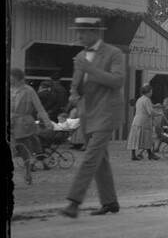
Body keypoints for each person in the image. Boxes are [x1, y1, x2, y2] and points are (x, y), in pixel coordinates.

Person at [60, 17, 124, 218]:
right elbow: (77, 83)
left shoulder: (114, 53)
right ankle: (110, 202)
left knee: (90, 158)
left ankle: (73, 202)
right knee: (100, 159)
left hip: (106, 112)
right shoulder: (80, 56)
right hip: (88, 113)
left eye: (83, 32)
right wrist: (73, 93)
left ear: (95, 33)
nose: (79, 36)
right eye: (77, 31)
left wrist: (89, 68)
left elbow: (117, 81)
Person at [10, 68, 54, 184]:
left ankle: (28, 172)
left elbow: (39, 107)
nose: (9, 79)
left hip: (23, 124)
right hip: (10, 122)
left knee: (22, 149)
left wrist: (48, 122)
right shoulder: (9, 89)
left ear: (16, 77)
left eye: (11, 76)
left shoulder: (29, 90)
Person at [127, 84, 158, 161]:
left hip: (136, 120)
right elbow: (150, 112)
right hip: (144, 121)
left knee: (135, 138)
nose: (152, 93)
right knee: (146, 138)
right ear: (148, 92)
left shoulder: (140, 99)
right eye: (151, 91)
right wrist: (159, 114)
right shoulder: (147, 99)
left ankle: (134, 154)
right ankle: (150, 154)